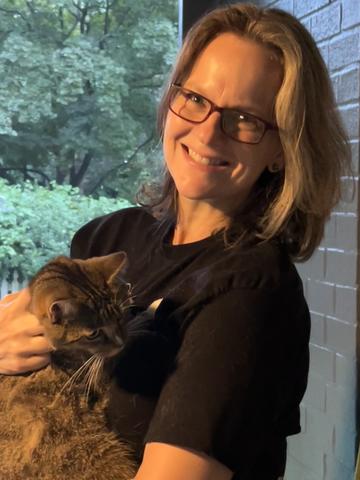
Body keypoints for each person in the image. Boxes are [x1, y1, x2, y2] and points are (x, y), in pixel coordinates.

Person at [0, 3, 351, 480]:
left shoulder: (250, 292)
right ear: (172, 100)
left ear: (281, 150)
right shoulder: (109, 236)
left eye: (245, 118)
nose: (207, 132)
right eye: (196, 99)